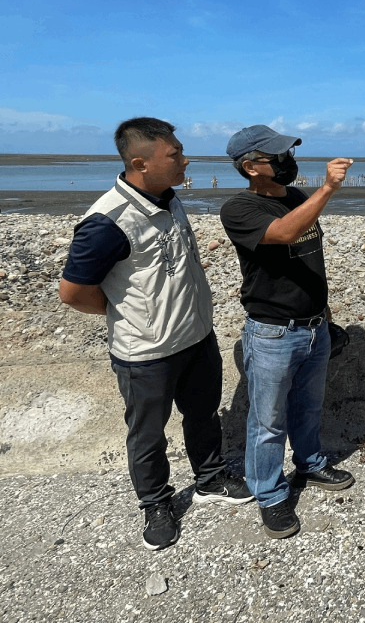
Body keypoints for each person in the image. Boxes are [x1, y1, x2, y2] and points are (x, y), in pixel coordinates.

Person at [59, 117, 253, 552]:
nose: (186, 159)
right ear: (140, 163)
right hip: (145, 353)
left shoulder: (169, 198)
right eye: (176, 154)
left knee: (203, 415)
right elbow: (72, 293)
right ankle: (156, 504)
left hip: (196, 337)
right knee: (147, 434)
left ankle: (209, 478)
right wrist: (127, 314)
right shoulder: (107, 221)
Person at [221, 125, 355, 540]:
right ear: (250, 167)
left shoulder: (297, 198)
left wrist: (326, 316)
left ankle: (311, 463)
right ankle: (269, 494)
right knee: (268, 421)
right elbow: (284, 234)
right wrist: (328, 188)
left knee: (309, 406)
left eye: (288, 153)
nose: (287, 162)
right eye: (276, 156)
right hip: (273, 333)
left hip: (315, 327)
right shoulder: (239, 209)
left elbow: (312, 261)